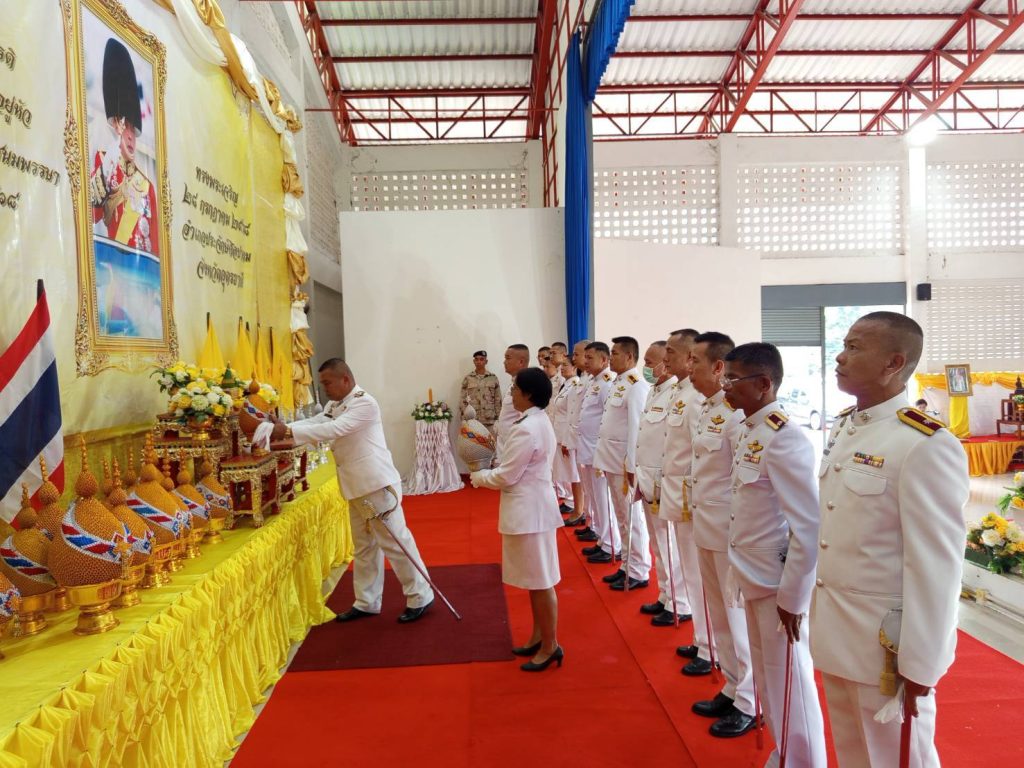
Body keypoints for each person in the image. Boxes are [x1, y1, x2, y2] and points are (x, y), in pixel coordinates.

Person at [811, 312, 970, 767]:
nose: (840, 357)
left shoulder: (923, 443)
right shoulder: (848, 426)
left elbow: (936, 566)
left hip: (887, 647)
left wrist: (923, 662)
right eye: (844, 344)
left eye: (855, 347)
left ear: (893, 363)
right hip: (839, 631)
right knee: (853, 753)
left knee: (898, 758)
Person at [723, 342, 827, 766]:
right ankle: (786, 753)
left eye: (733, 379)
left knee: (790, 680)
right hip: (751, 571)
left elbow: (807, 525)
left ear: (764, 383)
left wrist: (794, 597)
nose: (725, 386)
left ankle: (804, 760)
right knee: (769, 675)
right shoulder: (749, 429)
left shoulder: (785, 438)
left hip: (776, 581)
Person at [269, 359, 434, 623]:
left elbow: (335, 429)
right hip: (356, 487)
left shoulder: (364, 403)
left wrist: (286, 431)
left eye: (327, 383)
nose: (324, 389)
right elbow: (318, 420)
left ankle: (420, 596)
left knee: (395, 543)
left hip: (376, 486)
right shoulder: (335, 404)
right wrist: (282, 429)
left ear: (345, 379)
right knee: (364, 546)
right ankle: (367, 602)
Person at [471, 368, 564, 672]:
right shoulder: (534, 421)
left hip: (530, 511)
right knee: (534, 580)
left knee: (541, 581)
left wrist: (479, 476)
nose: (511, 394)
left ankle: (550, 645)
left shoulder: (527, 428)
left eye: (515, 389)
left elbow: (508, 475)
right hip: (532, 508)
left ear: (528, 394)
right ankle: (539, 636)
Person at [688, 331, 757, 738]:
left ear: (718, 367)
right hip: (705, 525)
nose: (688, 368)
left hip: (729, 531)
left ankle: (749, 700)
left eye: (695, 361)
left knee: (736, 617)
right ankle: (732, 686)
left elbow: (743, 482)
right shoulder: (709, 408)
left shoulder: (735, 416)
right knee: (719, 615)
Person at [659, 329, 715, 673]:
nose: (665, 358)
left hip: (691, 500)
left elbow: (700, 454)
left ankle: (710, 647)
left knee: (697, 574)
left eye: (671, 352)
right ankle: (703, 638)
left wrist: (694, 499)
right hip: (677, 492)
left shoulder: (696, 398)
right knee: (691, 571)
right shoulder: (681, 392)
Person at [633, 341, 690, 625]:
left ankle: (680, 603)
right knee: (658, 544)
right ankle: (666, 593)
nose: (647, 367)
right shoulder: (655, 391)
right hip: (648, 479)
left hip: (663, 482)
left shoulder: (677, 395)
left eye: (650, 362)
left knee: (670, 546)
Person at [90, 38, 158, 255]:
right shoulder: (105, 163)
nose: (130, 136)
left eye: (133, 128)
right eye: (124, 126)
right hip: (112, 267)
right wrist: (113, 150)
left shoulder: (147, 187)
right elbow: (92, 212)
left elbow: (155, 248)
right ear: (116, 126)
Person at [594, 336, 651, 591]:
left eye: (615, 353)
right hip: (610, 459)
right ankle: (627, 565)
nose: (611, 357)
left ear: (629, 357)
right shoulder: (618, 383)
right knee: (621, 517)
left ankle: (639, 569)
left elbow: (636, 428)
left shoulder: (636, 386)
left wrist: (632, 465)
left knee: (632, 519)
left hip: (622, 463)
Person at [575, 342, 618, 564]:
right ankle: (602, 538)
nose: (585, 361)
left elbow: (607, 420)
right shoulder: (594, 382)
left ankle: (611, 544)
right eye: (585, 357)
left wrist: (603, 451)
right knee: (594, 497)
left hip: (598, 452)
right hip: (587, 448)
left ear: (603, 360)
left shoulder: (607, 383)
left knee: (603, 499)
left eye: (590, 357)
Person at [564, 341, 591, 530]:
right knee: (589, 490)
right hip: (579, 441)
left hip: (591, 445)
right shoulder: (585, 379)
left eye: (577, 354)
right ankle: (593, 526)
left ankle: (603, 537)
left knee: (598, 494)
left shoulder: (601, 382)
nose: (574, 358)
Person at [495, 345, 530, 456]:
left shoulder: (525, 386)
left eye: (508, 358)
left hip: (515, 444)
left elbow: (524, 417)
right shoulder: (515, 382)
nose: (504, 362)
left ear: (521, 362)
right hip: (505, 441)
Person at [459, 350, 501, 431]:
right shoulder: (468, 378)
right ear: (474, 361)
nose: (479, 362)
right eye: (476, 359)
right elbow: (462, 399)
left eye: (481, 359)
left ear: (486, 361)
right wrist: (464, 418)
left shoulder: (493, 378)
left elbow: (498, 399)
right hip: (473, 419)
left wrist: (498, 418)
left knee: (489, 439)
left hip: (489, 419)